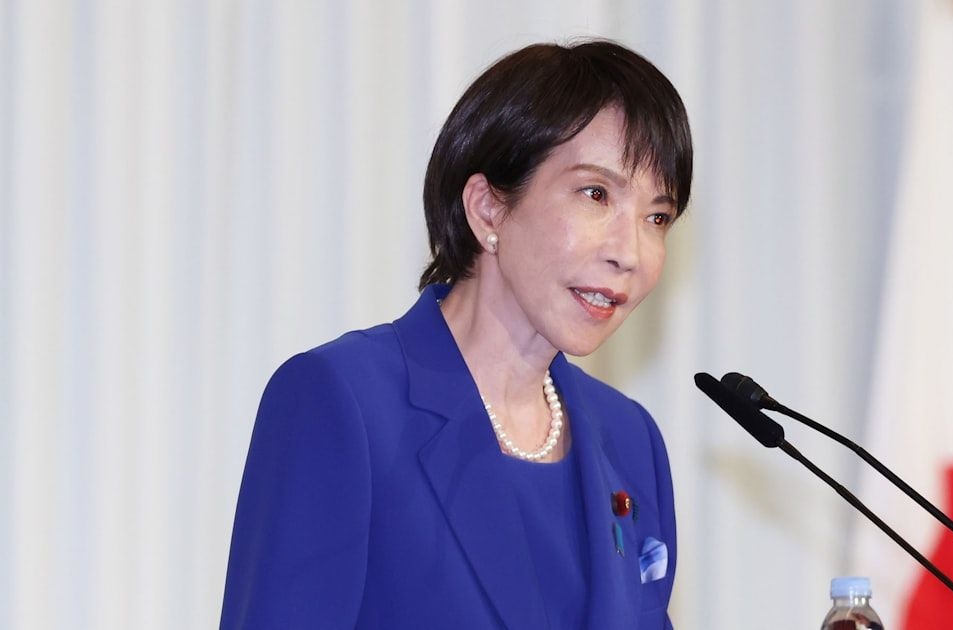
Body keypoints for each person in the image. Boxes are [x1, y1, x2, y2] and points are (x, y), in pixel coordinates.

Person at [220, 39, 692, 630]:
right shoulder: (343, 402)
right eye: (596, 194)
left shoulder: (629, 439)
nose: (631, 252)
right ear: (488, 208)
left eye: (657, 217)